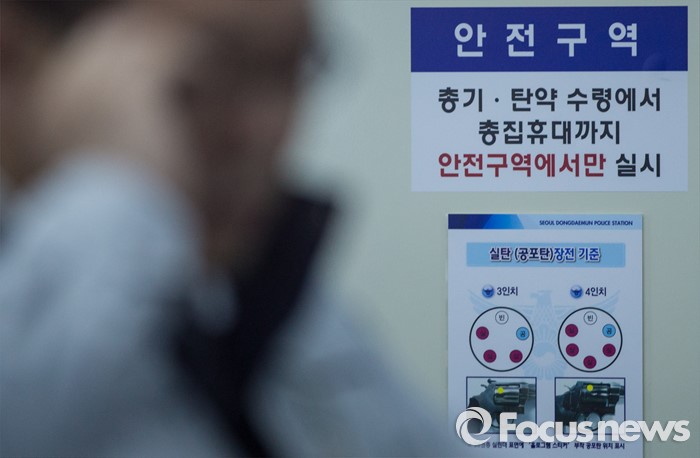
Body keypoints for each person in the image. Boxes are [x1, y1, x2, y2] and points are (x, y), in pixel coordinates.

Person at [0, 1, 460, 456]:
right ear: (13, 56)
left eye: (288, 71)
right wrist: (114, 193)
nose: (260, 130)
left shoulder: (277, 309)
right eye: (204, 74)